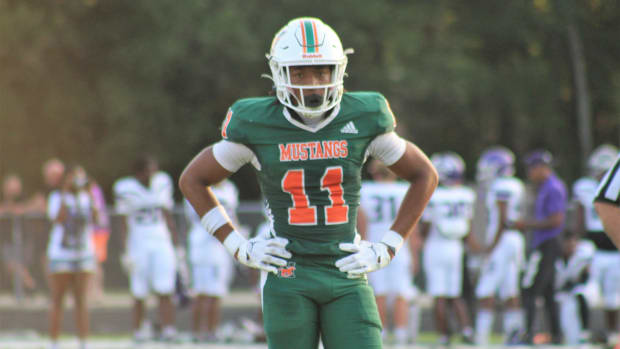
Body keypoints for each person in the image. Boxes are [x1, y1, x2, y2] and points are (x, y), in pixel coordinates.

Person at [179, 17, 438, 349]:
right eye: (299, 72)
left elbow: (425, 175)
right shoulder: (257, 122)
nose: (312, 84)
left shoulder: (363, 116)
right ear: (279, 73)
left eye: (322, 71)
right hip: (288, 271)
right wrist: (237, 246)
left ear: (338, 71)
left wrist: (389, 245)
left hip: (346, 271)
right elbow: (193, 180)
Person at [114, 155, 179, 342]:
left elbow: (167, 215)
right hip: (138, 242)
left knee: (165, 287)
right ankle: (138, 329)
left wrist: (176, 245)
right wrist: (124, 250)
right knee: (138, 290)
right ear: (138, 173)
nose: (152, 174)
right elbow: (123, 222)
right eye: (148, 170)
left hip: (161, 241)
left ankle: (168, 328)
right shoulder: (125, 187)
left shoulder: (162, 182)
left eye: (153, 170)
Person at [360, 159, 419, 345]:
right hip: (399, 247)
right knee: (402, 293)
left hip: (374, 247)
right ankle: (401, 336)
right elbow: (413, 227)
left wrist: (362, 248)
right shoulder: (404, 190)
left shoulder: (365, 190)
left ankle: (382, 334)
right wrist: (415, 255)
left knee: (379, 293)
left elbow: (362, 225)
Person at [420, 151, 476, 345]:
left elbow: (425, 227)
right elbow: (468, 224)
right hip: (456, 247)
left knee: (439, 295)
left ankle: (444, 336)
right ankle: (467, 330)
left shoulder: (434, 195)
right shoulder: (466, 194)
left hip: (436, 246)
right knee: (455, 293)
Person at [473, 146, 525, 345]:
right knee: (510, 290)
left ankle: (481, 337)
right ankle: (514, 334)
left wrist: (491, 247)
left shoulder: (501, 186)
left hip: (503, 241)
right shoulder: (516, 184)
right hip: (514, 240)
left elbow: (502, 219)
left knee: (486, 289)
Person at [514, 149, 567, 344]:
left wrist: (526, 224)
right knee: (548, 291)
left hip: (548, 243)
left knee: (530, 288)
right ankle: (556, 334)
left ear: (542, 168)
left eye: (532, 167)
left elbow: (556, 220)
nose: (529, 172)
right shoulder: (546, 186)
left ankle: (529, 333)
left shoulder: (553, 187)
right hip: (547, 243)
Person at [46, 165, 100, 349]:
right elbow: (58, 218)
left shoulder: (86, 198)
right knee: (58, 298)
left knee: (81, 299)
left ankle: (83, 341)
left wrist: (91, 194)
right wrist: (64, 193)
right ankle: (54, 341)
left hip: (83, 252)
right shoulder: (56, 197)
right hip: (61, 253)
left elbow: (97, 219)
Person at [573, 144, 619, 343]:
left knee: (612, 297)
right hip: (593, 247)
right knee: (586, 291)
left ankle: (611, 334)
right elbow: (581, 215)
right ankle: (585, 332)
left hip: (614, 249)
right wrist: (577, 238)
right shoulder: (585, 187)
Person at [184, 179, 238, 342]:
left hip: (222, 246)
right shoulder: (196, 185)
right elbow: (195, 215)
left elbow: (232, 216)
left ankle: (212, 331)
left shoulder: (230, 188)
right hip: (202, 245)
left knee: (217, 292)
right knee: (201, 292)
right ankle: (196, 332)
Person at [0, 174, 45, 296]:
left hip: (26, 240)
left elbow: (40, 204)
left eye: (14, 187)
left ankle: (29, 287)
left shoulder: (27, 197)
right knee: (11, 264)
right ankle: (31, 285)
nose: (12, 190)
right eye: (9, 187)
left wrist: (22, 209)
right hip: (7, 241)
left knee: (20, 264)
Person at [555, 232, 595, 345]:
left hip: (581, 289)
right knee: (566, 317)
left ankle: (585, 332)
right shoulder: (556, 258)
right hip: (562, 293)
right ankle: (558, 335)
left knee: (581, 295)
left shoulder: (583, 255)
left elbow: (585, 276)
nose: (569, 247)